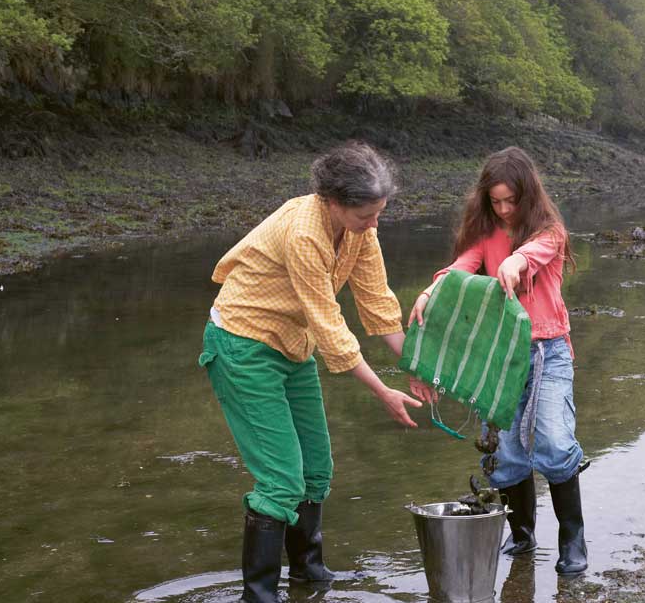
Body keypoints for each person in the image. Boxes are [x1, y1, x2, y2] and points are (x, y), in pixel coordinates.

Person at [198, 142, 425, 603]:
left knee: (316, 468)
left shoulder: (360, 230)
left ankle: (307, 573)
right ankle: (259, 595)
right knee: (281, 480)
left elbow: (378, 303)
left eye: (380, 213)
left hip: (292, 347)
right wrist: (384, 391)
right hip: (242, 346)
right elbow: (330, 326)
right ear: (335, 202)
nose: (374, 223)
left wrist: (417, 369)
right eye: (367, 214)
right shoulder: (304, 233)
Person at [409, 146, 588, 575]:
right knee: (506, 453)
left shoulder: (550, 231)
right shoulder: (485, 232)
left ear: (528, 195)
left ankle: (573, 538)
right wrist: (432, 291)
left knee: (554, 442)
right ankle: (523, 535)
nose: (504, 209)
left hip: (549, 352)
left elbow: (534, 254)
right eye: (496, 201)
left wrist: (513, 261)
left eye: (512, 200)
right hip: (501, 355)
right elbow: (462, 268)